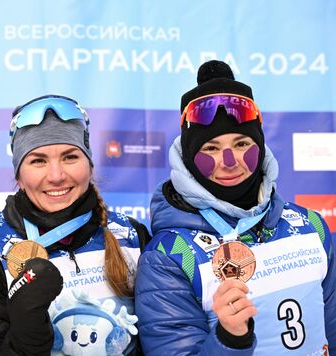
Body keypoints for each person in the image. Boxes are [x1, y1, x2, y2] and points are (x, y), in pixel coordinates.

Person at [135, 60, 336, 355]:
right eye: (211, 149)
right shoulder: (169, 255)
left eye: (241, 144)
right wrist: (230, 340)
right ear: (189, 158)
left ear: (260, 144)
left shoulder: (310, 225)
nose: (229, 162)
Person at [0, 94, 151, 355]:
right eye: (38, 160)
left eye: (70, 157)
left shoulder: (131, 237)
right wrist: (26, 332)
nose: (57, 176)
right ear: (19, 174)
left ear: (89, 164)